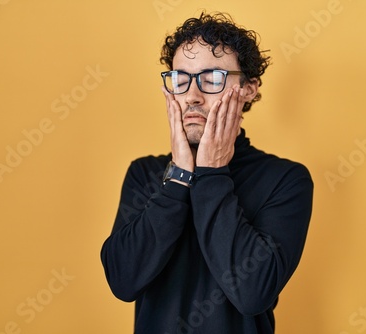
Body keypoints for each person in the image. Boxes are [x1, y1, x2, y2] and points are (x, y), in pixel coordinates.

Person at [100, 12, 313, 334]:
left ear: (249, 88)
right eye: (180, 79)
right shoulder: (144, 174)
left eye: (212, 79)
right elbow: (123, 281)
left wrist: (212, 172)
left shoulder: (285, 179)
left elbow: (252, 293)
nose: (192, 96)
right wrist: (179, 178)